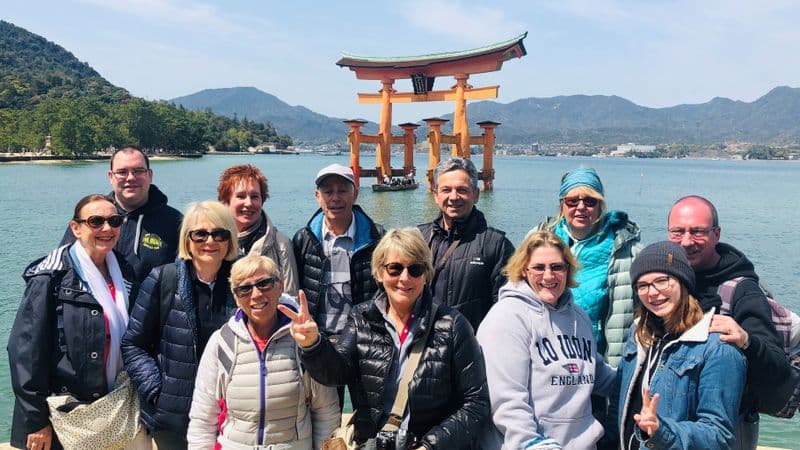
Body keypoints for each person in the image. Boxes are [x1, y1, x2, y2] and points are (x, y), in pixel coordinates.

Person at [282, 228, 490, 449]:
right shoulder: (361, 318)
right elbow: (336, 373)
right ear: (379, 273)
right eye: (394, 268)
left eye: (415, 269)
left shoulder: (452, 326)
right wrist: (313, 344)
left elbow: (476, 403)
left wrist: (430, 446)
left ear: (426, 274)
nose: (404, 278)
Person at [9, 194, 140, 449]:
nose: (106, 228)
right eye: (95, 221)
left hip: (113, 405)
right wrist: (35, 420)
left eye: (114, 220)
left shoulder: (124, 270)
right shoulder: (50, 278)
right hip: (66, 412)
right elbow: (25, 353)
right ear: (76, 228)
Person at [667, 195, 795, 449]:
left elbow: (777, 365)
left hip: (727, 426)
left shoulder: (742, 290)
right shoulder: (666, 282)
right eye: (678, 231)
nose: (686, 241)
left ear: (717, 234)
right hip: (671, 423)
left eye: (698, 231)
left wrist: (747, 341)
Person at [478, 230, 616, 450]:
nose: (549, 276)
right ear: (524, 270)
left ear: (568, 269)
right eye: (539, 268)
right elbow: (505, 398)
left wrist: (641, 377)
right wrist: (530, 442)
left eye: (557, 267)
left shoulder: (579, 317)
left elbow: (598, 373)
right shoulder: (505, 317)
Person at [187, 254, 339, 449]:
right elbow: (203, 418)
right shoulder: (222, 342)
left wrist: (313, 345)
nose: (256, 294)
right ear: (235, 296)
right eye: (244, 289)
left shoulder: (303, 338)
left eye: (264, 283)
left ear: (280, 285)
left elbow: (326, 413)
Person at [122, 201, 239, 449]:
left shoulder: (242, 283)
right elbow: (134, 344)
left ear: (230, 239)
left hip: (232, 414)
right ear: (187, 239)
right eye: (200, 234)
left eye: (219, 234)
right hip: (174, 417)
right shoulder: (164, 279)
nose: (210, 241)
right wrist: (157, 391)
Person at [615, 241, 746, 450]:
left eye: (662, 281)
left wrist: (662, 431)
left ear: (683, 282)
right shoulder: (638, 334)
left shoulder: (717, 348)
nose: (653, 292)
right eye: (643, 285)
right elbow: (618, 402)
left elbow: (720, 435)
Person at [533, 167, 642, 366]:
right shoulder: (538, 239)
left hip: (597, 361)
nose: (581, 207)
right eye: (573, 200)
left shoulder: (627, 250)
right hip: (546, 355)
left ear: (600, 206)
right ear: (562, 205)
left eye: (590, 201)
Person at [418, 157, 514, 331]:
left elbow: (506, 308)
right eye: (446, 190)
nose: (454, 197)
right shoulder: (419, 237)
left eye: (462, 190)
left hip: (470, 346)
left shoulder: (496, 244)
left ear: (476, 195)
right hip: (423, 343)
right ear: (436, 195)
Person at [61, 146, 183, 282]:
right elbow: (63, 266)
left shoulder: (175, 222)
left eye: (138, 171)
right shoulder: (90, 218)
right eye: (122, 172)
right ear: (110, 177)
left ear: (150, 175)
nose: (130, 178)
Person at [293, 163, 384, 338]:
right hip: (317, 337)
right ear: (318, 197)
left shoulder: (377, 238)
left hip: (363, 337)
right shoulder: (304, 239)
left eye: (342, 191)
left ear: (355, 194)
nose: (335, 198)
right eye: (328, 192)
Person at [217, 164, 299, 295]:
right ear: (225, 201)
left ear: (262, 200)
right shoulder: (212, 242)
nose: (248, 203)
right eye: (241, 196)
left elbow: (290, 297)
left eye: (254, 196)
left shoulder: (280, 244)